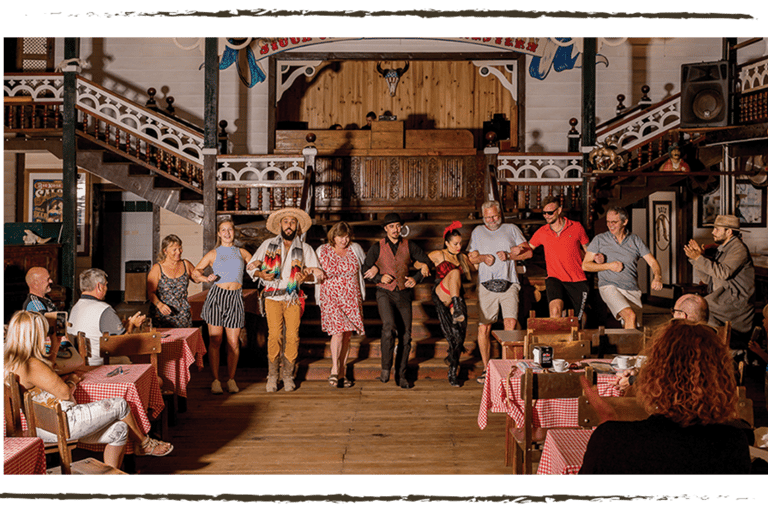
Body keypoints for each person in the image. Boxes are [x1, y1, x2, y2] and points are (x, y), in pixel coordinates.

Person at [4, 311, 173, 470]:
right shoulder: (31, 364)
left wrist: (55, 344)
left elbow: (47, 371)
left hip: (47, 425)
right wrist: (72, 380)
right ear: (34, 335)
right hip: (63, 423)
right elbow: (63, 392)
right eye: (44, 332)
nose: (46, 336)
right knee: (120, 404)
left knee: (120, 429)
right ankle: (144, 444)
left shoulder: (15, 361)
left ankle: (110, 481)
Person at [579, 320, 751, 475]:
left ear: (652, 374)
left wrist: (609, 426)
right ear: (721, 378)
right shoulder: (733, 444)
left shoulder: (611, 439)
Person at [247, 208, 324, 393]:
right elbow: (250, 267)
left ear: (297, 226)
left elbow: (318, 274)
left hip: (293, 298)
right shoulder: (267, 244)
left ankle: (288, 376)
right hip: (272, 296)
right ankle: (273, 376)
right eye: (286, 221)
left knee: (292, 337)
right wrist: (260, 273)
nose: (289, 225)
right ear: (280, 225)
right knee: (274, 336)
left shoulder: (305, 248)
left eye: (292, 222)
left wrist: (305, 277)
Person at [362, 213, 431, 389]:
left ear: (402, 228)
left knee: (406, 335)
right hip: (384, 293)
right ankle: (385, 368)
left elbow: (426, 263)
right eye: (391, 226)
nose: (395, 230)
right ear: (385, 229)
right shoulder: (377, 247)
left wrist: (416, 278)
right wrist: (378, 277)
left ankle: (400, 375)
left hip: (404, 293)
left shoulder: (409, 245)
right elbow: (365, 268)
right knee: (389, 327)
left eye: (398, 226)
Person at [467, 201, 528, 384]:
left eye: (494, 216)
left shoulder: (511, 228)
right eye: (487, 217)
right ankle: (487, 370)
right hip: (486, 285)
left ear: (500, 213)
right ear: (483, 216)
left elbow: (528, 253)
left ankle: (507, 369)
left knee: (510, 323)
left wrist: (511, 255)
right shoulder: (477, 231)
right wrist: (482, 258)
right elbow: (472, 257)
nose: (491, 220)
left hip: (509, 283)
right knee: (484, 327)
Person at [193, 219, 253, 395]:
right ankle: (216, 380)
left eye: (230, 230)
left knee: (233, 342)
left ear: (234, 232)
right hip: (217, 297)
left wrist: (260, 266)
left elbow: (255, 265)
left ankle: (231, 379)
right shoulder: (213, 253)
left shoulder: (242, 252)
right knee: (215, 340)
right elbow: (196, 272)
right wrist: (205, 278)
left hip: (235, 297)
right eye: (223, 230)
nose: (227, 233)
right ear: (218, 233)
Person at [582, 207, 663, 329]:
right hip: (609, 286)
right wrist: (609, 266)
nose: (610, 225)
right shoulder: (600, 239)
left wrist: (657, 277)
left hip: (632, 289)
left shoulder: (635, 240)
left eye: (614, 222)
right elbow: (585, 265)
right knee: (630, 316)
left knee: (635, 329)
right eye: (608, 222)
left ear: (625, 222)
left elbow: (653, 262)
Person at [683, 214, 755, 345]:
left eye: (717, 229)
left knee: (696, 309)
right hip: (722, 299)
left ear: (729, 231)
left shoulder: (738, 249)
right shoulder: (723, 249)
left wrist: (699, 258)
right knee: (689, 307)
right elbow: (707, 279)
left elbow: (723, 273)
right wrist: (697, 258)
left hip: (735, 303)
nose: (712, 232)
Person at [515, 195, 590, 320]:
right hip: (555, 278)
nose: (546, 216)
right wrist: (516, 251)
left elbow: (588, 251)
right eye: (544, 213)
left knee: (578, 319)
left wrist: (597, 258)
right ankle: (556, 339)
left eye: (549, 213)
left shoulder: (576, 227)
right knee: (555, 311)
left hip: (577, 279)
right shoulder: (542, 232)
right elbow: (528, 249)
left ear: (559, 210)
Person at [315, 221, 366, 389]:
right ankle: (335, 369)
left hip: (351, 297)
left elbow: (366, 266)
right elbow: (312, 269)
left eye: (346, 237)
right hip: (331, 296)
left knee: (347, 335)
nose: (343, 240)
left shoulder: (355, 249)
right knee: (337, 333)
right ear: (333, 236)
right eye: (340, 237)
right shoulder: (322, 250)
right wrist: (315, 272)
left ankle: (342, 374)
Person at [68, 268, 146, 366]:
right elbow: (123, 345)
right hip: (99, 364)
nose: (106, 288)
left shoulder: (75, 307)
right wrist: (131, 324)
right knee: (137, 360)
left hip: (78, 363)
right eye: (106, 285)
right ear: (99, 287)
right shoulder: (104, 310)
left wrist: (124, 325)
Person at [428, 221, 473, 387]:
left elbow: (476, 266)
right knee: (454, 272)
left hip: (456, 298)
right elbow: (417, 263)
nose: (459, 246)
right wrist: (424, 266)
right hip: (441, 291)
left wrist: (478, 257)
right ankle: (457, 306)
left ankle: (453, 370)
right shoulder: (439, 254)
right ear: (446, 243)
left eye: (460, 243)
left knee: (458, 336)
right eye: (455, 244)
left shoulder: (462, 257)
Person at [146, 234, 199, 328]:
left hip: (183, 315)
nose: (178, 252)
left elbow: (197, 279)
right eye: (174, 250)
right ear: (165, 251)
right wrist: (160, 305)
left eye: (180, 248)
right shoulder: (157, 268)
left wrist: (206, 274)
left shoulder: (185, 264)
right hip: (163, 315)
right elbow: (150, 293)